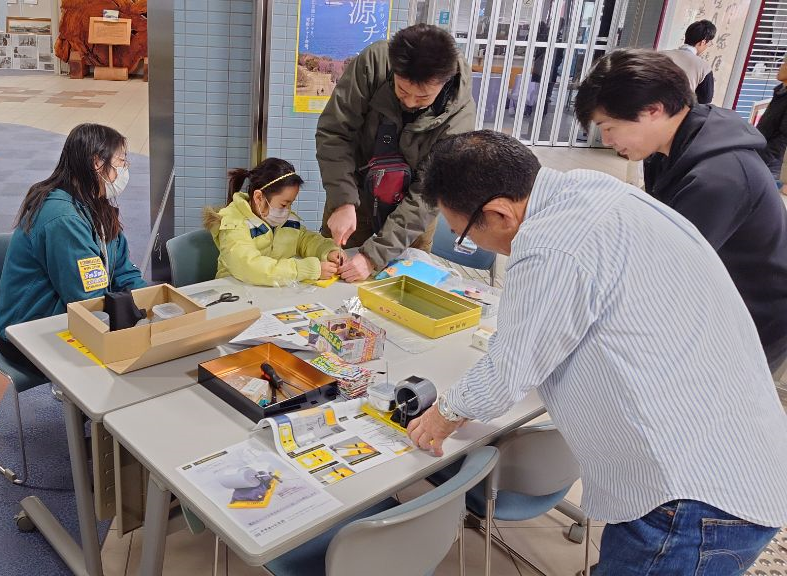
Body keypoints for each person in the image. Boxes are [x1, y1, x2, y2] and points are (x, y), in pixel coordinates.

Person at [406, 130, 787, 575]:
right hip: (732, 459)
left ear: (499, 213)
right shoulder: (592, 191)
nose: (468, 243)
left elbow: (506, 374)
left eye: (464, 235)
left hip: (690, 501)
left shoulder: (552, 244)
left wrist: (442, 415)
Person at [574, 48, 787, 375]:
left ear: (653, 110)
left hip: (749, 323)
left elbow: (663, 273)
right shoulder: (671, 147)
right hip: (712, 304)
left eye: (609, 126)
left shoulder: (719, 177)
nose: (606, 139)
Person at [316, 23, 474, 283]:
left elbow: (428, 193)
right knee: (335, 278)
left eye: (423, 97)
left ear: (444, 82)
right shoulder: (374, 63)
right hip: (355, 198)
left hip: (412, 215)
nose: (410, 102)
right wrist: (343, 200)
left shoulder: (459, 117)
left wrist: (373, 256)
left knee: (398, 293)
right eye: (402, 91)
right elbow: (335, 133)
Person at [0, 123, 147, 369]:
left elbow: (122, 268)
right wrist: (133, 318)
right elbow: (85, 298)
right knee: (130, 359)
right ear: (97, 163)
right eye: (120, 162)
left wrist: (148, 304)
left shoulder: (97, 202)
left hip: (67, 316)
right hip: (29, 331)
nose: (124, 169)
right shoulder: (63, 218)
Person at [203, 158, 341, 287]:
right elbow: (250, 267)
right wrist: (305, 269)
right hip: (236, 292)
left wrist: (328, 251)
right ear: (258, 197)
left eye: (290, 204)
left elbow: (305, 240)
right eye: (283, 204)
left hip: (274, 292)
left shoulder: (287, 220)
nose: (287, 210)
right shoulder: (233, 223)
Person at [662, 19, 716, 104]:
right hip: (676, 112)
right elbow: (705, 100)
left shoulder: (660, 55)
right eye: (707, 44)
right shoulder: (704, 68)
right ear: (703, 42)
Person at [756, 57, 787, 188]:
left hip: (769, 163)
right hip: (759, 152)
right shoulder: (780, 91)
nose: (781, 66)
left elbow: (783, 137)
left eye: (785, 63)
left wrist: (761, 158)